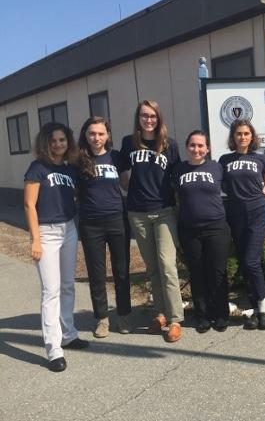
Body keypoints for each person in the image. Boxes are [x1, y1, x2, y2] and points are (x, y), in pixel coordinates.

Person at [24, 122, 89, 372]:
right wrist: (36, 239)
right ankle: (53, 349)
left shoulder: (69, 169)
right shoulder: (37, 168)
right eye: (54, 140)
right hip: (47, 233)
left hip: (68, 228)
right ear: (45, 142)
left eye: (62, 140)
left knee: (67, 285)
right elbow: (30, 205)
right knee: (50, 291)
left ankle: (69, 334)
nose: (58, 144)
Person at [120, 100, 183, 342]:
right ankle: (160, 313)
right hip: (137, 212)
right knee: (152, 268)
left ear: (159, 118)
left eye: (153, 116)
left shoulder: (170, 144)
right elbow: (122, 174)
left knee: (167, 265)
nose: (149, 120)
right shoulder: (129, 143)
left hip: (164, 210)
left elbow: (176, 177)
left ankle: (176, 319)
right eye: (145, 116)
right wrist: (132, 191)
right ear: (139, 118)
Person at [76, 117, 131, 338]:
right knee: (97, 273)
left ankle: (124, 315)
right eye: (92, 133)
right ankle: (102, 318)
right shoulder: (78, 160)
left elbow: (125, 183)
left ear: (108, 135)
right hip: (91, 224)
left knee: (121, 270)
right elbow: (75, 191)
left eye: (100, 133)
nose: (96, 137)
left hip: (117, 219)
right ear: (86, 135)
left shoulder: (116, 157)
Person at [219, 120, 265, 330]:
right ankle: (253, 310)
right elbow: (219, 186)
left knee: (251, 261)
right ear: (233, 137)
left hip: (258, 214)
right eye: (238, 134)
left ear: (252, 137)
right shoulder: (224, 160)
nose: (242, 137)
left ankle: (264, 306)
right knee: (247, 263)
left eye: (246, 133)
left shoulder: (261, 160)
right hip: (235, 216)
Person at [173, 131, 231, 333]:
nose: (196, 149)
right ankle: (203, 315)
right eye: (192, 145)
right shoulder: (178, 170)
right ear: (187, 147)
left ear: (207, 148)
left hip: (216, 227)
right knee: (197, 273)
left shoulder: (217, 167)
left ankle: (221, 314)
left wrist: (263, 190)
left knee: (217, 272)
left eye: (200, 146)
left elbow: (237, 186)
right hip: (189, 229)